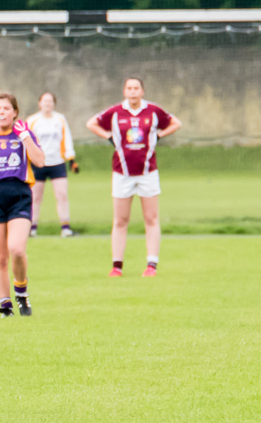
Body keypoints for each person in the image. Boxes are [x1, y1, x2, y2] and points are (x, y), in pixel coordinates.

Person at [87, 77, 183, 278]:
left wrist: (159, 136)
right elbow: (91, 123)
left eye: (136, 88)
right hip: (122, 173)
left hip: (148, 172)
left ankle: (151, 265)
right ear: (124, 91)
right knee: (120, 220)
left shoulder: (153, 111)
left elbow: (176, 123)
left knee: (151, 218)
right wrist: (108, 137)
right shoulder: (115, 112)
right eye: (129, 88)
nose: (132, 91)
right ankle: (117, 267)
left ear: (142, 91)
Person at [0, 94, 45, 317]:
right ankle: (5, 306)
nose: (2, 112)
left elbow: (40, 161)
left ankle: (21, 292)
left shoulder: (23, 133)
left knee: (17, 249)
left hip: (19, 195)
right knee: (0, 256)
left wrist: (25, 138)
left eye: (6, 108)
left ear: (15, 112)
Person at [27, 92, 79, 238]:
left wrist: (71, 159)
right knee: (35, 197)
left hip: (57, 162)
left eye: (50, 101)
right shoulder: (33, 120)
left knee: (62, 194)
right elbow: (27, 141)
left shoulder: (60, 119)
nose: (47, 104)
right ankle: (32, 228)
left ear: (54, 103)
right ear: (39, 103)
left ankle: (66, 228)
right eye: (45, 101)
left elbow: (66, 138)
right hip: (39, 163)